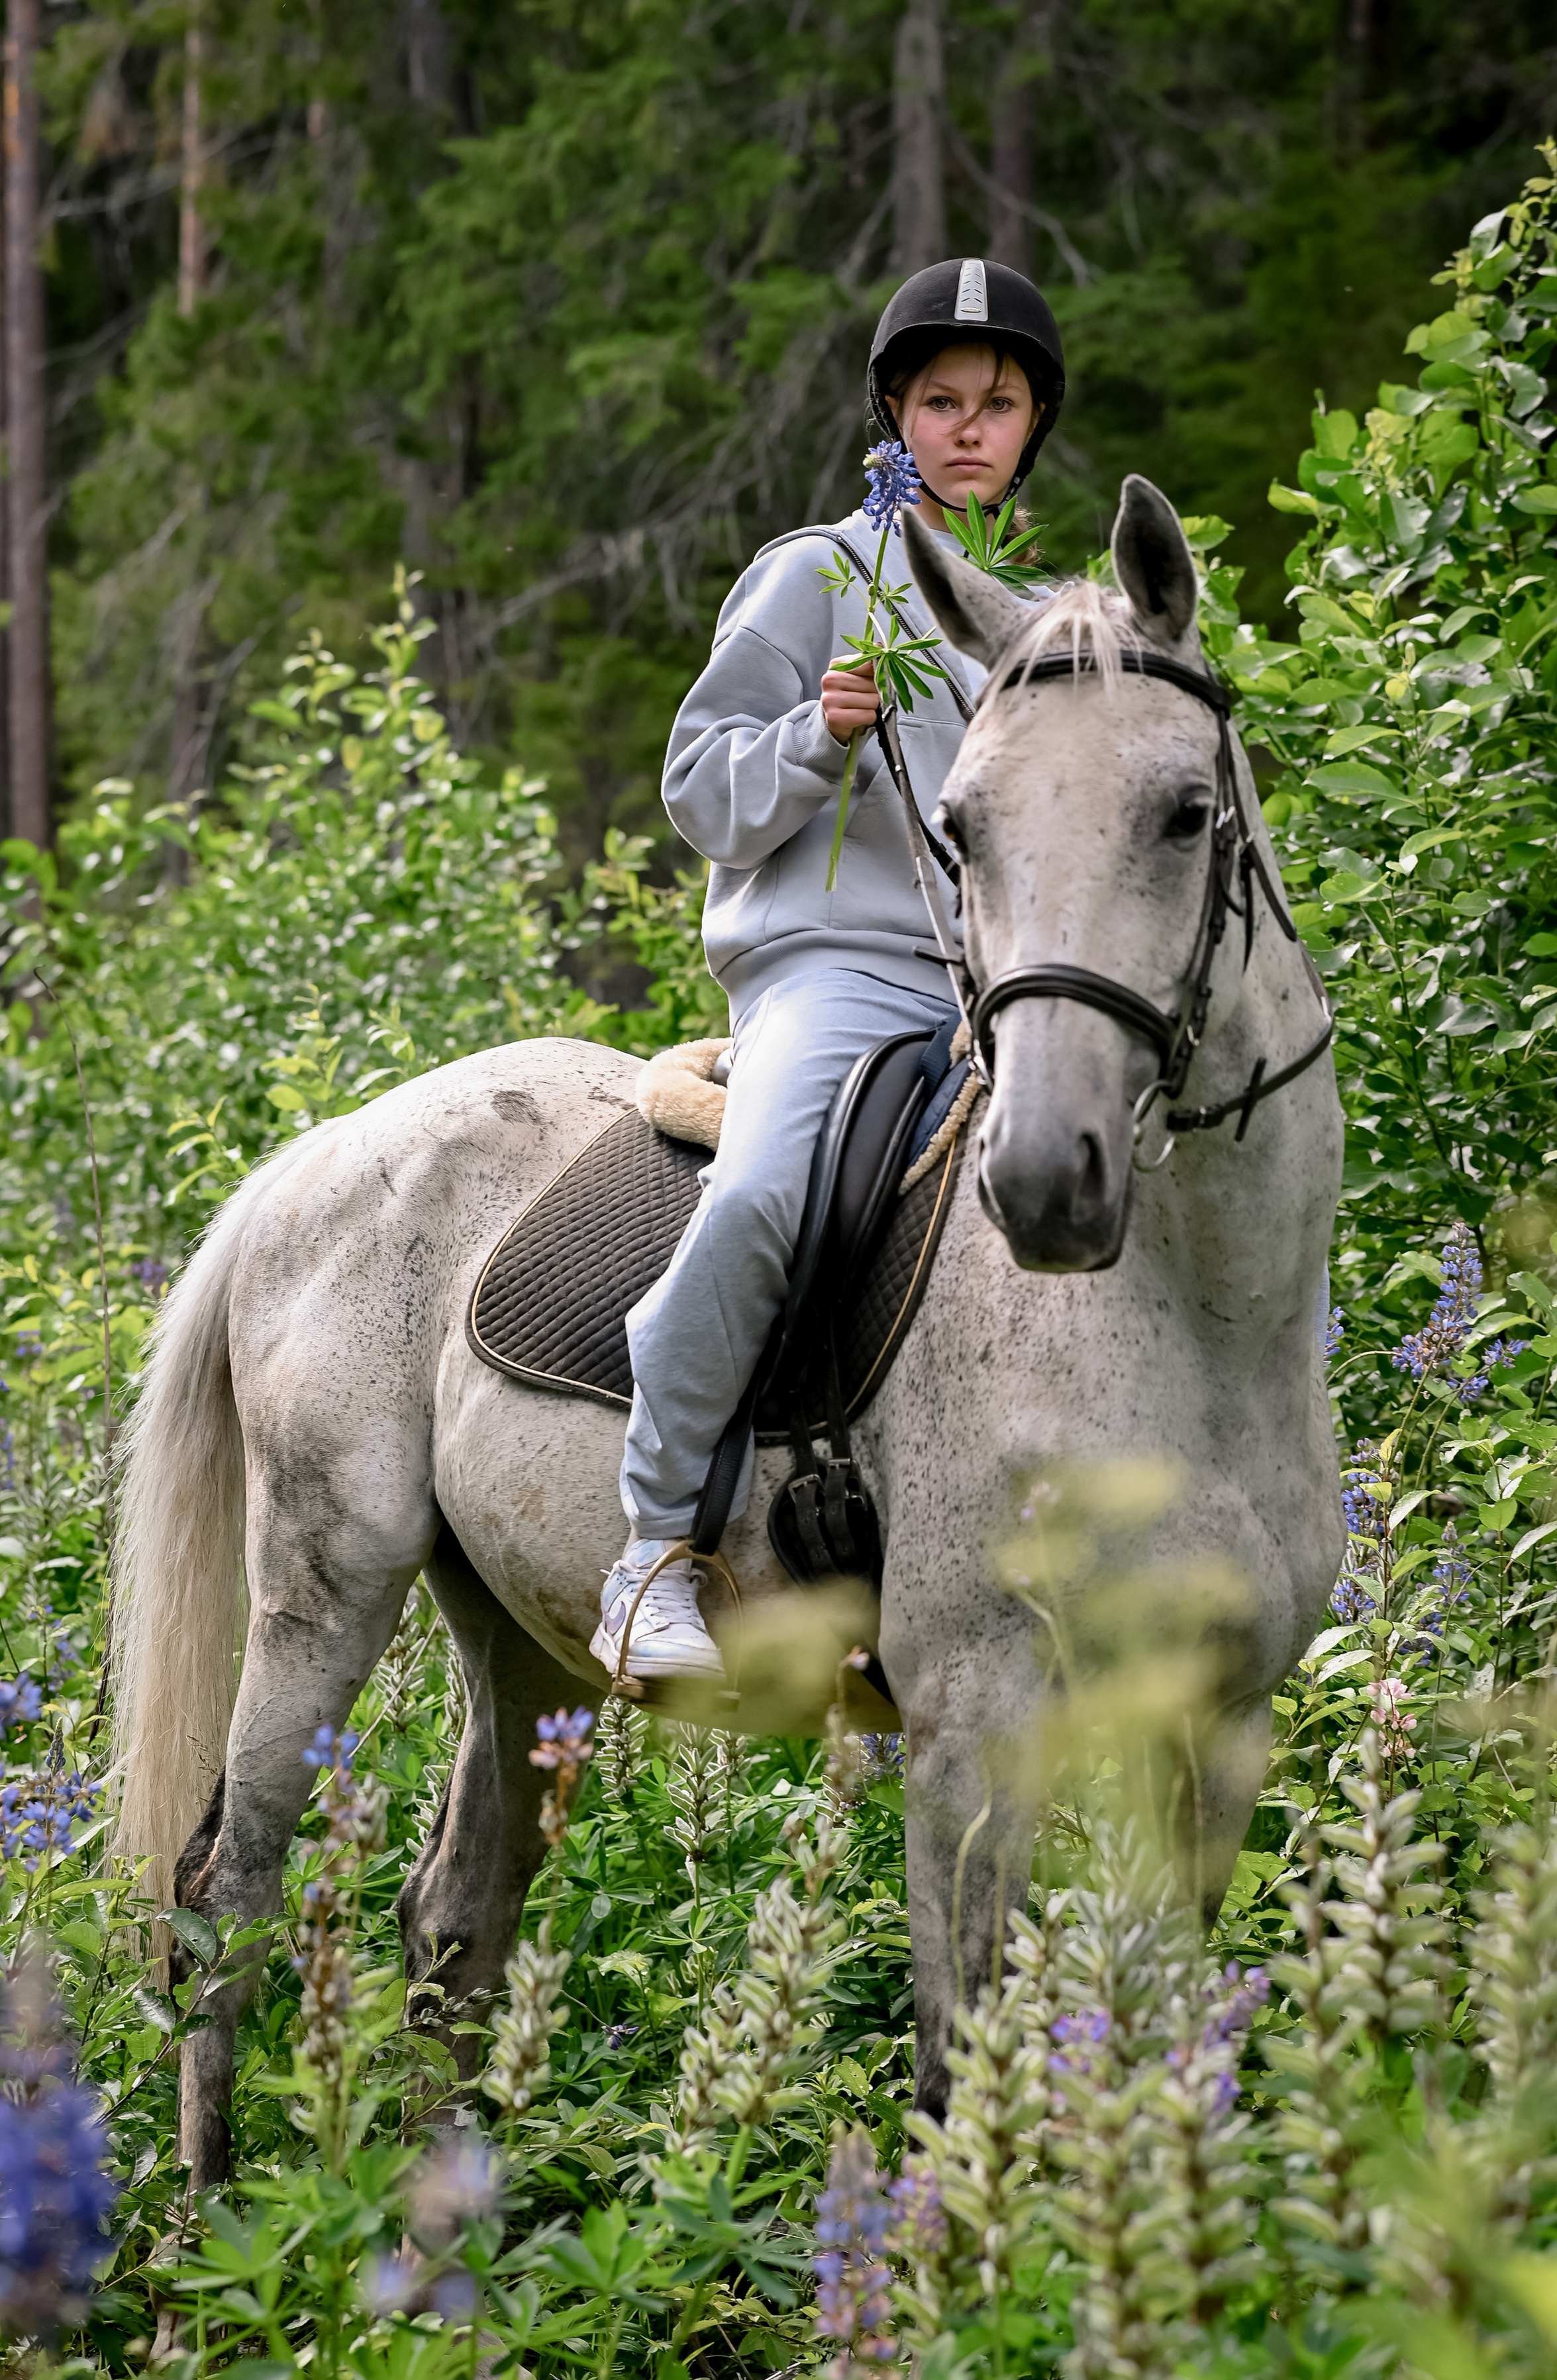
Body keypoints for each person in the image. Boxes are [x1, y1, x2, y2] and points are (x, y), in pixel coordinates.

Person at [589, 257, 1066, 1681]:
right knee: (760, 1195)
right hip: (833, 978)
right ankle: (650, 1552)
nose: (968, 427)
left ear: (1032, 423)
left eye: (997, 402)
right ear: (893, 416)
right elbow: (695, 791)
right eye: (939, 402)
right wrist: (815, 733)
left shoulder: (1046, 614)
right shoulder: (820, 573)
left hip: (1002, 986)